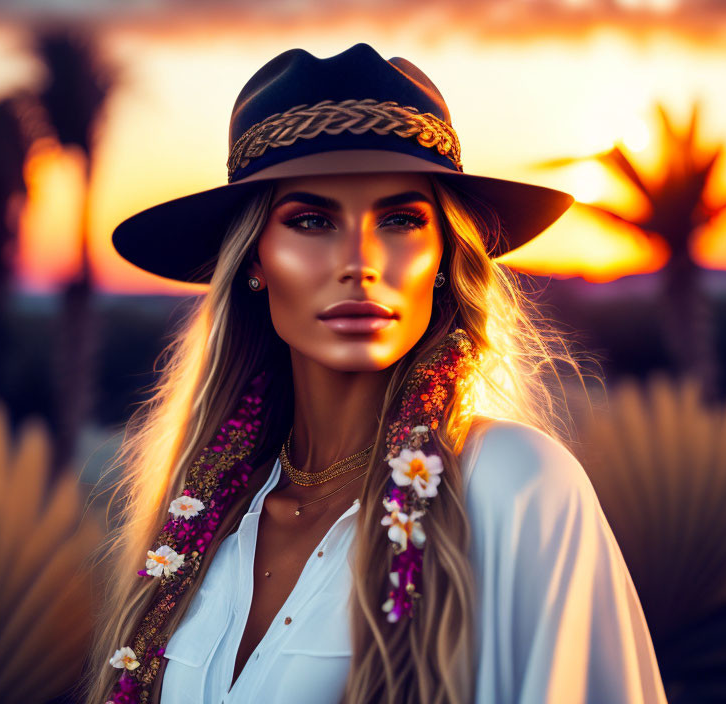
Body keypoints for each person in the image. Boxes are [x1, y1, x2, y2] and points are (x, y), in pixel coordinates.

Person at [84, 44, 667, 704]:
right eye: (311, 220)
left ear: (443, 256)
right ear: (255, 260)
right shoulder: (209, 515)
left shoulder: (512, 485)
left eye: (399, 220)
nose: (359, 261)